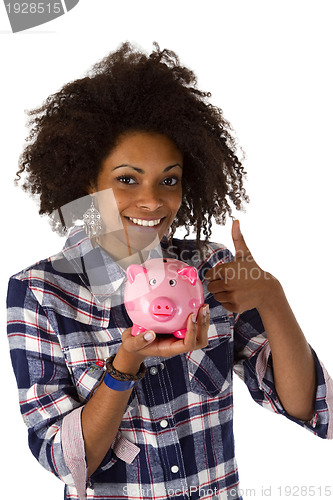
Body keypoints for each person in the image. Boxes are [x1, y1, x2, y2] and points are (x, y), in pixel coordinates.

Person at [7, 42, 332, 500]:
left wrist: (272, 297)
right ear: (86, 181)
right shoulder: (40, 293)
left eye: (169, 179)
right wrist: (126, 364)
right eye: (127, 179)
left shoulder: (213, 271)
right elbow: (65, 460)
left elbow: (310, 409)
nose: (152, 200)